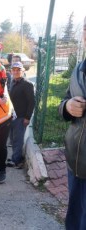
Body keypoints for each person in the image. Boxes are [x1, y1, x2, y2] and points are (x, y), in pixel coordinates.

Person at [58, 16, 86, 230]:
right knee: (75, 215)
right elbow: (65, 99)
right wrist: (67, 107)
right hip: (75, 160)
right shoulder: (79, 69)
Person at [6, 62, 35, 169]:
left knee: (18, 139)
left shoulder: (27, 84)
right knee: (12, 139)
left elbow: (31, 102)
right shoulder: (12, 82)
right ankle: (15, 157)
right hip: (11, 116)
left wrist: (27, 117)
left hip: (21, 117)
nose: (16, 72)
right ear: (11, 71)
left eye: (18, 70)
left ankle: (16, 160)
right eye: (14, 70)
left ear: (23, 71)